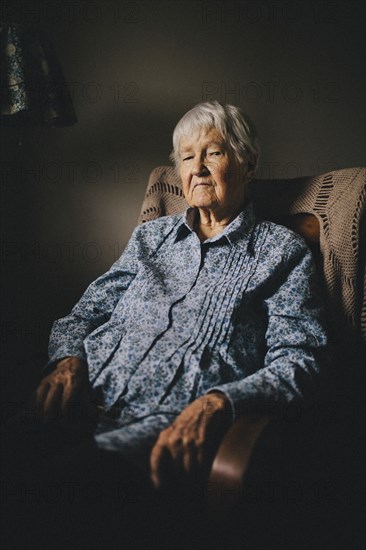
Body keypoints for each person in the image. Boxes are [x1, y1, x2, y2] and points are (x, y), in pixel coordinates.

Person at [30, 101, 327, 493]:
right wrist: (67, 360)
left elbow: (300, 360)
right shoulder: (150, 238)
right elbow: (88, 311)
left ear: (248, 165)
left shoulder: (282, 252)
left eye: (214, 153)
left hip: (163, 429)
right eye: (187, 157)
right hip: (76, 402)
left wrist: (218, 403)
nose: (198, 167)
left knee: (46, 488)